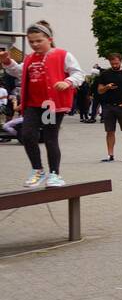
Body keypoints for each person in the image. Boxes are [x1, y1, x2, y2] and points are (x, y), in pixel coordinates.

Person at [0, 20, 85, 187]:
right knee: (27, 135)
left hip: (50, 104)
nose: (35, 44)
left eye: (39, 40)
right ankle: (37, 170)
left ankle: (55, 174)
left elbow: (78, 73)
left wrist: (67, 82)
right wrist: (7, 62)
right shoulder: (30, 58)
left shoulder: (62, 55)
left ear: (50, 39)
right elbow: (19, 72)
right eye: (31, 41)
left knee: (49, 137)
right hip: (32, 104)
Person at [97, 53, 122, 162]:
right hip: (108, 106)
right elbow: (99, 90)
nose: (114, 65)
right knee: (110, 131)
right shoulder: (105, 74)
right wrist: (107, 87)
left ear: (121, 61)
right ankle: (110, 154)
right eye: (112, 63)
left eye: (116, 63)